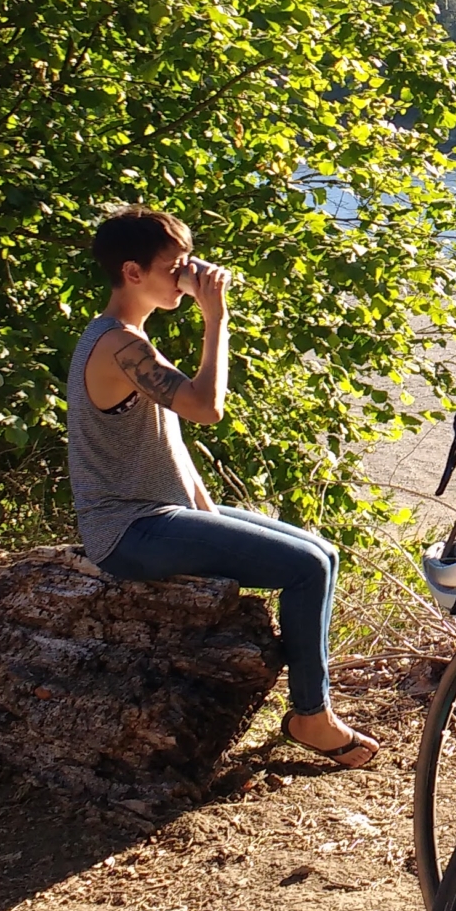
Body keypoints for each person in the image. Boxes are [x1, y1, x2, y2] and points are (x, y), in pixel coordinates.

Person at [67, 206, 379, 769]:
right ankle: (311, 716)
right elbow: (206, 408)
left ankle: (311, 706)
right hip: (127, 531)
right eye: (175, 265)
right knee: (304, 568)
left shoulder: (125, 338)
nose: (188, 274)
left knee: (323, 553)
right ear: (134, 273)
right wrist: (216, 318)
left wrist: (206, 508)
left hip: (159, 514)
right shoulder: (118, 347)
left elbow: (168, 437)